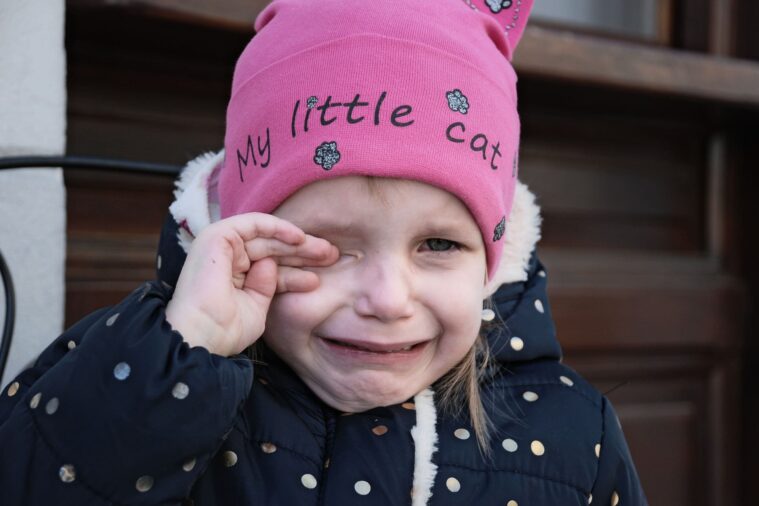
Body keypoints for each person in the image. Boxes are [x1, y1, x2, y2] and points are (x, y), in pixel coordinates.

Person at [0, 0, 648, 504]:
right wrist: (181, 355)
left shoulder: (572, 431)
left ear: (492, 258)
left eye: (439, 244)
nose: (387, 300)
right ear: (243, 234)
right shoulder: (143, 377)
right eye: (329, 246)